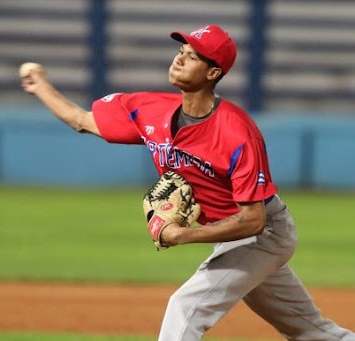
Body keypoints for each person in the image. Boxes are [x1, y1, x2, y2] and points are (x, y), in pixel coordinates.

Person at [21, 24, 355, 341]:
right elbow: (82, 121)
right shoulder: (150, 110)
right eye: (181, 50)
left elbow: (254, 220)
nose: (180, 58)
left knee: (185, 308)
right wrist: (41, 86)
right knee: (311, 331)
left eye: (193, 56)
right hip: (231, 234)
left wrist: (184, 235)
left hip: (263, 235)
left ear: (213, 73)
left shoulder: (237, 132)